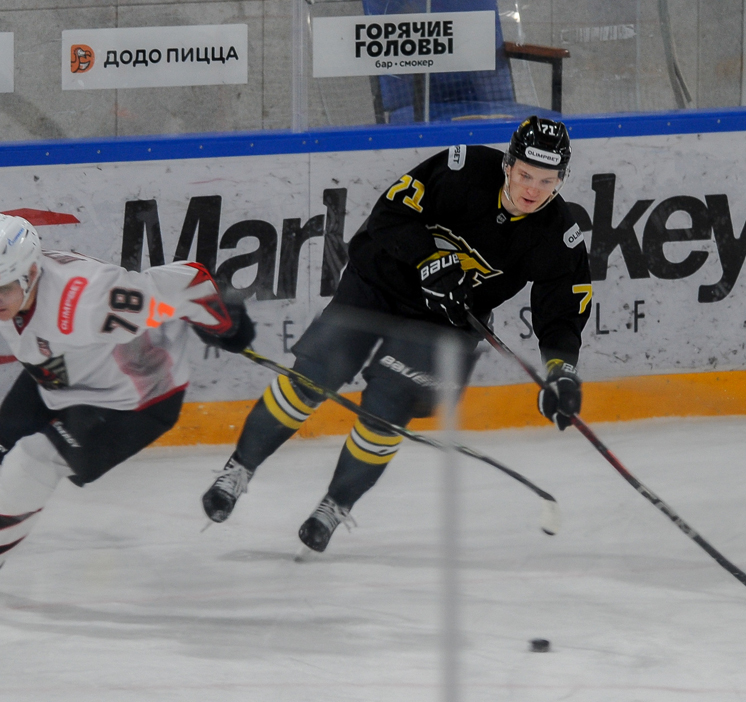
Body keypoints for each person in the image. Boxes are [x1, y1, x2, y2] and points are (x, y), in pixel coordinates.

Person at [201, 116, 592, 553]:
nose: (533, 190)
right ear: (508, 164)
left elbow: (562, 312)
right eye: (525, 175)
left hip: (447, 319)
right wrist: (427, 259)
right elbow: (389, 214)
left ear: (561, 179)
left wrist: (562, 371)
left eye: (547, 180)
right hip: (380, 282)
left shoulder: (559, 235)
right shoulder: (462, 169)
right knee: (313, 377)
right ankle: (239, 469)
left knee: (390, 407)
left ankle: (335, 504)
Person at [0, 214, 253, 617]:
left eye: (2, 287)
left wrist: (224, 324)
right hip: (60, 374)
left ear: (31, 274)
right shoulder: (17, 287)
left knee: (29, 464)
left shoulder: (89, 298)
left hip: (134, 401)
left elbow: (188, 280)